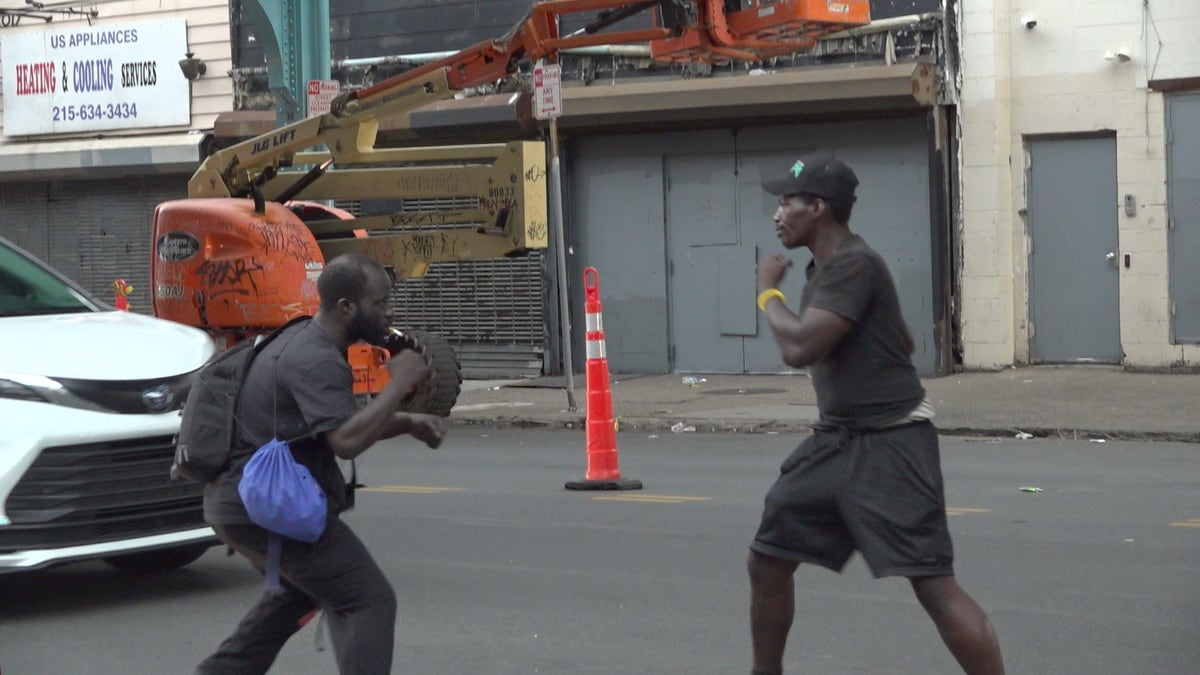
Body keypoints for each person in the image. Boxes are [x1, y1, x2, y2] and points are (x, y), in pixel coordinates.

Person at [747, 156, 1005, 675]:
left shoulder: (853, 264)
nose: (777, 213)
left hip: (892, 445)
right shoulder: (830, 267)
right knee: (768, 557)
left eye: (786, 202)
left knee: (933, 585)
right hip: (837, 442)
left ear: (817, 207)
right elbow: (903, 339)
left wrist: (767, 290)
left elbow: (798, 348)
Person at [197, 253, 447, 674]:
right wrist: (399, 381)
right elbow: (346, 441)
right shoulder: (315, 359)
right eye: (381, 303)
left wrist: (404, 421)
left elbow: (333, 424)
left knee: (299, 592)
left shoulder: (304, 340)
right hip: (264, 505)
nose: (390, 312)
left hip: (243, 502)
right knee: (369, 599)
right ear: (347, 307)